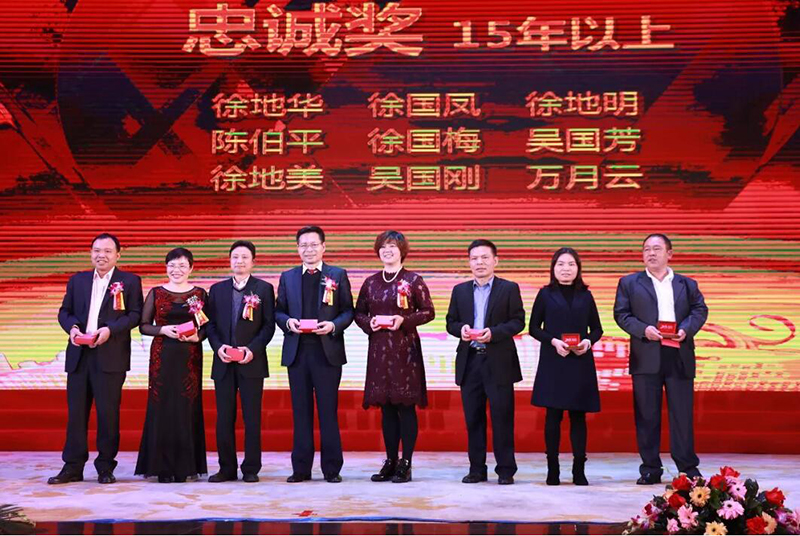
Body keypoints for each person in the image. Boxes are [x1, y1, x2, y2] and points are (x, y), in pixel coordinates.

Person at [49, 233, 143, 485]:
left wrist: (110, 330)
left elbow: (135, 315)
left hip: (110, 356)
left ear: (118, 255)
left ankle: (105, 467)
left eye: (107, 251)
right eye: (96, 250)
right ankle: (72, 466)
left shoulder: (130, 281)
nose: (101, 255)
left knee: (107, 413)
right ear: (91, 253)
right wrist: (72, 328)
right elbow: (64, 311)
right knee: (76, 414)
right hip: (79, 355)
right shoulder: (77, 280)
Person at [613, 233, 708, 484]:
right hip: (646, 353)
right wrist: (644, 330)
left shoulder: (687, 284)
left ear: (670, 254)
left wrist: (686, 329)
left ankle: (688, 468)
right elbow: (621, 314)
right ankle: (650, 468)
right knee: (647, 415)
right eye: (646, 249)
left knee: (681, 415)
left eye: (656, 249)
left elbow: (700, 310)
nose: (651, 253)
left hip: (679, 353)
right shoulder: (629, 283)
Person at [354, 231, 435, 483]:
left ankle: (406, 463)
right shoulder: (370, 282)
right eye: (383, 246)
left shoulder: (413, 279)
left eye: (392, 246)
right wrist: (369, 323)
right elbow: (358, 313)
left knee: (405, 407)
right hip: (379, 350)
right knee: (386, 408)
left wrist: (404, 320)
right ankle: (390, 461)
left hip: (405, 351)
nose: (387, 250)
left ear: (402, 251)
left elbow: (428, 311)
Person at [276, 225, 354, 483]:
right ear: (297, 248)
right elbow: (278, 311)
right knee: (301, 412)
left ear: (323, 247)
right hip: (297, 352)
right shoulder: (287, 277)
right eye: (303, 245)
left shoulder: (337, 274)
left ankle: (332, 469)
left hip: (327, 352)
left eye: (313, 245)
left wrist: (333, 325)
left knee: (328, 411)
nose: (308, 250)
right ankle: (301, 469)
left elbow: (348, 310)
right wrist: (288, 323)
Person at [445, 239, 525, 485]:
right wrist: (461, 329)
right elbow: (450, 322)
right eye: (474, 258)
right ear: (469, 262)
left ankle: (506, 470)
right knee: (473, 419)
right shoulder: (460, 291)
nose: (479, 262)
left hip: (499, 362)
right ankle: (477, 469)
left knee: (502, 418)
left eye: (484, 258)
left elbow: (518, 321)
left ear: (495, 261)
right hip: (470, 362)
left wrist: (495, 333)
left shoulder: (509, 288)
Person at [529, 247, 603, 486]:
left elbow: (597, 329)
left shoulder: (586, 295)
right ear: (553, 268)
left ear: (578, 268)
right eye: (560, 264)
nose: (566, 269)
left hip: (579, 361)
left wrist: (587, 342)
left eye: (571, 264)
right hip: (554, 360)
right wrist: (553, 341)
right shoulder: (545, 294)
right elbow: (534, 328)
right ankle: (553, 470)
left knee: (578, 417)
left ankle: (579, 470)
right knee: (553, 416)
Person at [135, 247, 208, 483]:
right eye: (172, 265)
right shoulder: (156, 293)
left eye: (182, 265)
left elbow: (207, 326)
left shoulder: (198, 294)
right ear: (166, 267)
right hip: (162, 356)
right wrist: (163, 330)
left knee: (187, 407)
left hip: (189, 357)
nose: (177, 270)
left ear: (191, 268)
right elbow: (143, 325)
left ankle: (186, 467)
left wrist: (197, 337)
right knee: (162, 407)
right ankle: (161, 468)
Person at [206, 240, 275, 483]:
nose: (240, 261)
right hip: (223, 363)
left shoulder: (264, 289)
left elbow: (268, 326)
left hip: (251, 363)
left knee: (252, 418)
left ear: (253, 261)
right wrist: (218, 347)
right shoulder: (217, 290)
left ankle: (251, 468)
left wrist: (252, 349)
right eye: (235, 257)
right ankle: (226, 468)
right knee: (224, 418)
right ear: (230, 260)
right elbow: (210, 325)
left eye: (245, 257)